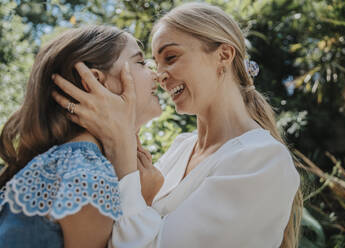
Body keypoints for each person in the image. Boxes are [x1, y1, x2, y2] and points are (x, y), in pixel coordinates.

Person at [52, 3, 303, 248]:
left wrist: (123, 151)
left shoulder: (262, 160)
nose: (159, 75)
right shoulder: (181, 147)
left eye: (170, 57)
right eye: (153, 63)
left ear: (224, 55)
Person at [0, 25, 163, 248]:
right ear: (95, 81)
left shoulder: (68, 161)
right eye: (141, 62)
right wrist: (142, 201)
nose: (157, 74)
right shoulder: (86, 174)